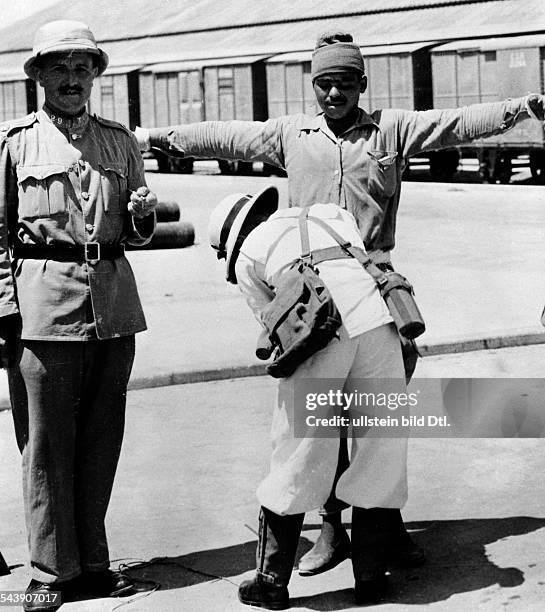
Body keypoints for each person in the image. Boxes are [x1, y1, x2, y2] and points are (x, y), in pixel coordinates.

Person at [134, 30, 545, 578]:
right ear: (313, 86)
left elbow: (458, 123)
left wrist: (523, 107)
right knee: (321, 415)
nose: (334, 95)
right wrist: (157, 136)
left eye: (344, 84)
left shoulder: (391, 129)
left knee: (381, 415)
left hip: (377, 285)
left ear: (362, 85)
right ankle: (333, 528)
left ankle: (384, 531)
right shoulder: (290, 135)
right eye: (324, 85)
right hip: (309, 296)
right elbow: (225, 136)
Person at [0, 20, 158, 612]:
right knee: (45, 444)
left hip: (113, 307)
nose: (72, 78)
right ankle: (48, 572)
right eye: (58, 67)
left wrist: (143, 216)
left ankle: (91, 564)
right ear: (36, 75)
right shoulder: (12, 141)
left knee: (100, 439)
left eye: (82, 67)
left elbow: (138, 234)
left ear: (95, 76)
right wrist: (0, 312)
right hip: (42, 307)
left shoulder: (119, 142)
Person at [208, 189, 411, 607]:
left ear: (231, 242)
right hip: (379, 325)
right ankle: (372, 577)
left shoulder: (248, 257)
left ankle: (271, 582)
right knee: (380, 448)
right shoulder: (330, 215)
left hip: (321, 337)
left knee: (298, 452)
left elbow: (276, 326)